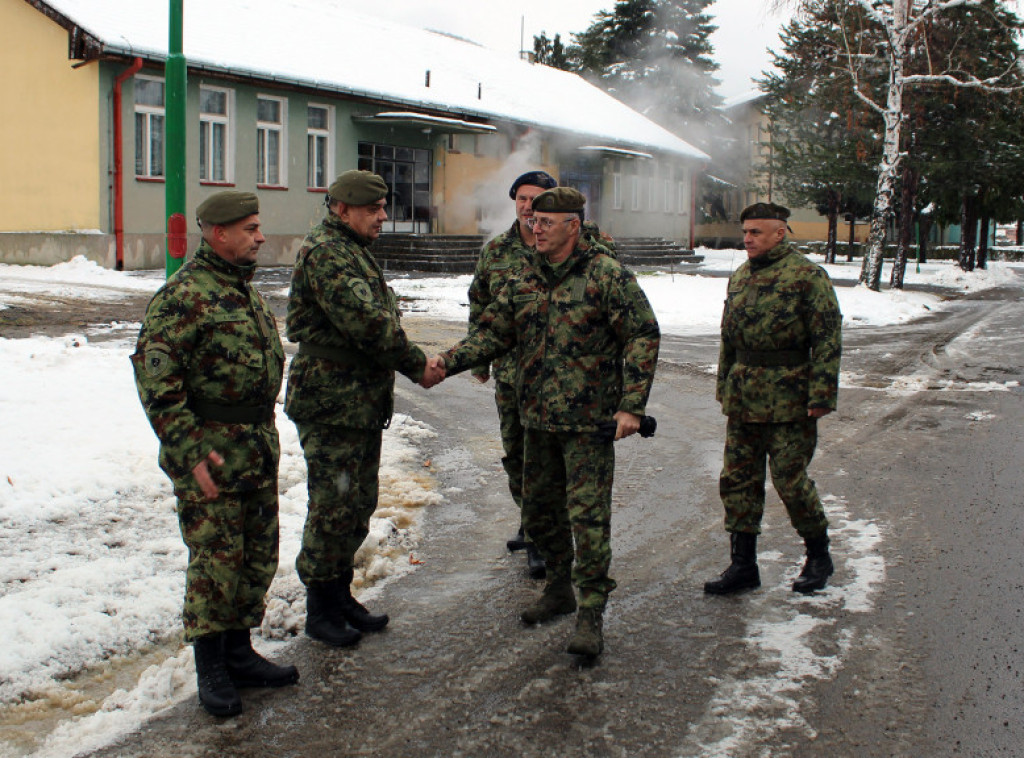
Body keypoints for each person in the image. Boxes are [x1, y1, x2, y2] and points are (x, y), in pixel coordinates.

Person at [435, 188, 660, 658]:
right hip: (535, 419)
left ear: (573, 226)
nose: (535, 229)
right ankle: (559, 588)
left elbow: (641, 332)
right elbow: (494, 331)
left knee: (588, 519)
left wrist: (631, 406)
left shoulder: (605, 274)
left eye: (546, 222)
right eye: (533, 221)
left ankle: (591, 613)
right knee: (538, 512)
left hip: (586, 425)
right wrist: (443, 363)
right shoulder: (523, 276)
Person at [131, 191, 297, 718]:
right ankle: (212, 667)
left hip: (253, 448)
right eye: (250, 228)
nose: (260, 236)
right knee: (215, 561)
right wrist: (188, 451)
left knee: (254, 555)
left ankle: (239, 651)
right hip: (211, 455)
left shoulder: (242, 291)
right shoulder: (184, 295)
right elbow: (159, 382)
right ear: (217, 233)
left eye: (258, 226)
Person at [284, 170, 444, 649]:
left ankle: (339, 594)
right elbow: (368, 323)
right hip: (330, 403)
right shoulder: (328, 253)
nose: (382, 216)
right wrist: (417, 364)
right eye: (373, 209)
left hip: (354, 402)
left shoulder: (352, 250)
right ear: (341, 209)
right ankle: (320, 608)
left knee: (356, 505)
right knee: (333, 506)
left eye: (382, 206)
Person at [704, 202, 842, 596]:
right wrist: (724, 386)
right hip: (745, 398)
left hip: (790, 399)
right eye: (745, 232)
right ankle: (743, 564)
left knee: (790, 482)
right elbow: (728, 338)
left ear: (780, 233)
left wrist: (821, 394)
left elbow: (828, 340)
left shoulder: (807, 276)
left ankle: (819, 556)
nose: (747, 239)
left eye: (755, 233)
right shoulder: (742, 276)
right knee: (738, 481)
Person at [468, 170, 557, 580]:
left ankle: (542, 537)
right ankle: (530, 518)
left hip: (555, 375)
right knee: (515, 453)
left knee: (544, 458)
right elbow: (480, 305)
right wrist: (478, 359)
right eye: (522, 198)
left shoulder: (560, 246)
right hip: (510, 373)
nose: (528, 207)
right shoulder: (497, 251)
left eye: (537, 200)